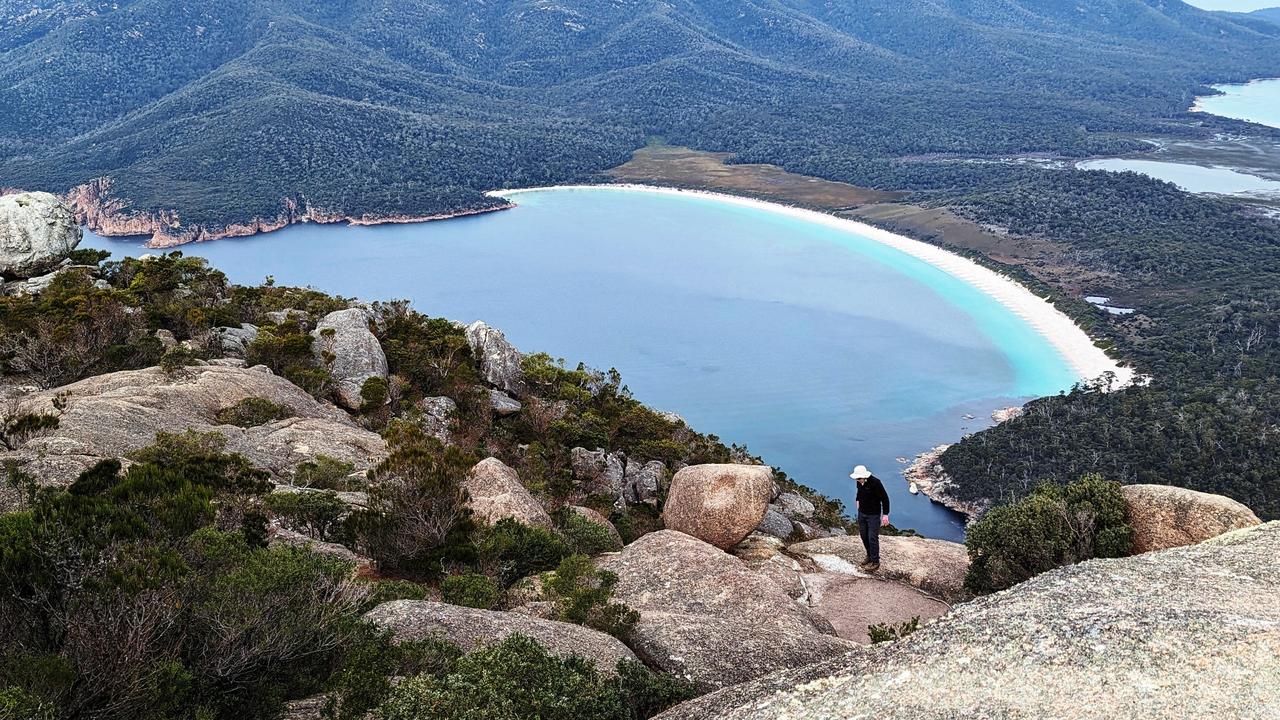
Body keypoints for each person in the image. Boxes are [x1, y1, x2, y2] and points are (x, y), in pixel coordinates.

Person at [851, 465, 890, 572]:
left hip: (873, 515)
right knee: (864, 536)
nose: (857, 480)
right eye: (856, 478)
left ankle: (875, 561)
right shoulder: (859, 482)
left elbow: (885, 499)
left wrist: (885, 515)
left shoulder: (875, 483)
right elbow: (859, 493)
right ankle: (869, 555)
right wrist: (858, 503)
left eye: (859, 478)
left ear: (864, 476)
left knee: (872, 537)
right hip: (862, 513)